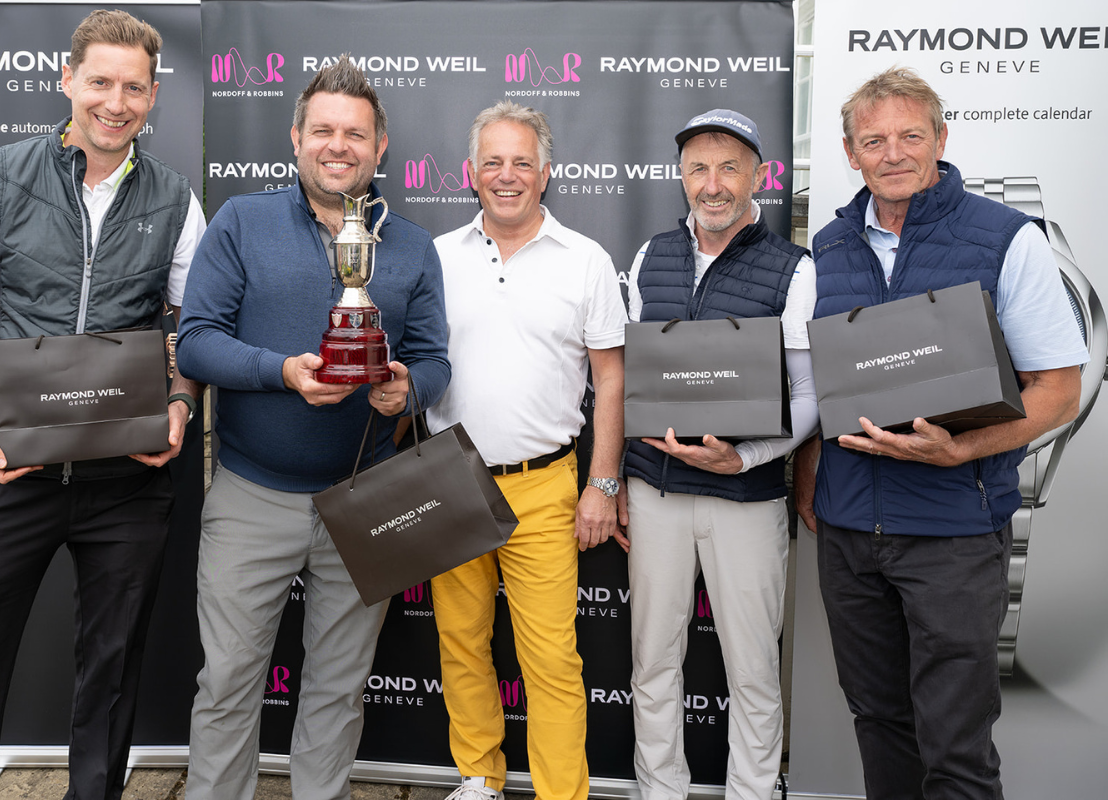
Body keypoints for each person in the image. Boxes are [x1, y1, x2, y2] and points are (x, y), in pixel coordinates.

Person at [0, 10, 206, 800]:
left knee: (111, 678)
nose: (116, 102)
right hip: (10, 475)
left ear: (153, 96)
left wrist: (179, 405)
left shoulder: (177, 200)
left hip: (128, 484)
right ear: (67, 80)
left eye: (134, 88)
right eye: (100, 82)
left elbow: (197, 331)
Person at [794, 67, 1087, 799]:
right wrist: (808, 475)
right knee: (880, 723)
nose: (893, 153)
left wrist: (963, 450)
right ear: (850, 153)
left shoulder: (1006, 238)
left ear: (941, 139)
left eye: (910, 136)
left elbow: (1059, 391)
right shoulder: (827, 247)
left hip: (954, 534)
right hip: (850, 534)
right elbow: (817, 385)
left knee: (956, 748)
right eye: (873, 141)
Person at [175, 55, 449, 800]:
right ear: (295, 138)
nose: (339, 146)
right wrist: (283, 372)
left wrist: (406, 392)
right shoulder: (242, 221)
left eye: (355, 134)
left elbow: (433, 360)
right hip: (251, 496)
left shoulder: (412, 246)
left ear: (380, 146)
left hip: (365, 496)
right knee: (227, 681)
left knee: (338, 687)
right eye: (323, 130)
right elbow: (196, 343)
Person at [425, 100, 627, 800]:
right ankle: (478, 779)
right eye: (492, 162)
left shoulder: (586, 261)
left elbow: (610, 378)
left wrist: (603, 483)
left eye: (521, 162)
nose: (505, 175)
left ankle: (560, 793)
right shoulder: (436, 257)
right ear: (470, 172)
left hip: (546, 486)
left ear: (545, 173)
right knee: (461, 644)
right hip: (449, 479)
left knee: (551, 660)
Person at [619, 109, 817, 800]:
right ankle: (660, 791)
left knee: (754, 669)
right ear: (681, 176)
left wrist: (747, 457)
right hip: (656, 493)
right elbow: (628, 376)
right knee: (652, 662)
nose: (713, 184)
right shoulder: (650, 256)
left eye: (730, 167)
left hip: (746, 497)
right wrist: (616, 478)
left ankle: (754, 793)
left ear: (758, 176)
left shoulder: (794, 268)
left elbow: (810, 393)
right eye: (699, 168)